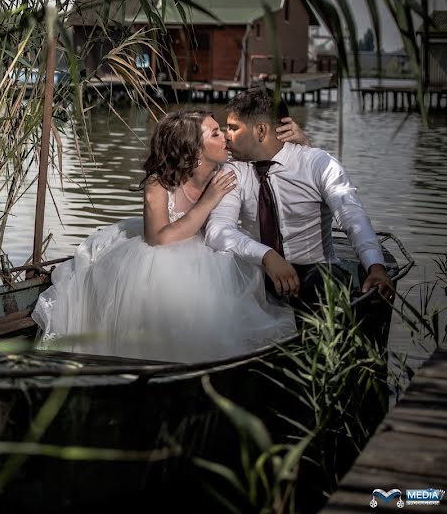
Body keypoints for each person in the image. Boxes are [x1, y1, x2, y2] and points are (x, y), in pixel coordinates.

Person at [31, 110, 306, 363]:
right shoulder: (158, 183)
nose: (225, 137)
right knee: (161, 279)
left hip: (209, 249)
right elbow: (158, 239)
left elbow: (282, 163)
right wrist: (208, 201)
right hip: (160, 247)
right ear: (195, 149)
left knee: (219, 289)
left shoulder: (228, 168)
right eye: (215, 134)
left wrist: (301, 140)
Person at [204, 86, 391, 328]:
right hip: (261, 269)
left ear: (261, 130)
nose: (227, 135)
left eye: (233, 128)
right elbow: (218, 229)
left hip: (315, 272)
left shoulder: (317, 163)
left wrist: (376, 266)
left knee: (323, 283)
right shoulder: (233, 170)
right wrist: (266, 255)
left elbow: (352, 216)